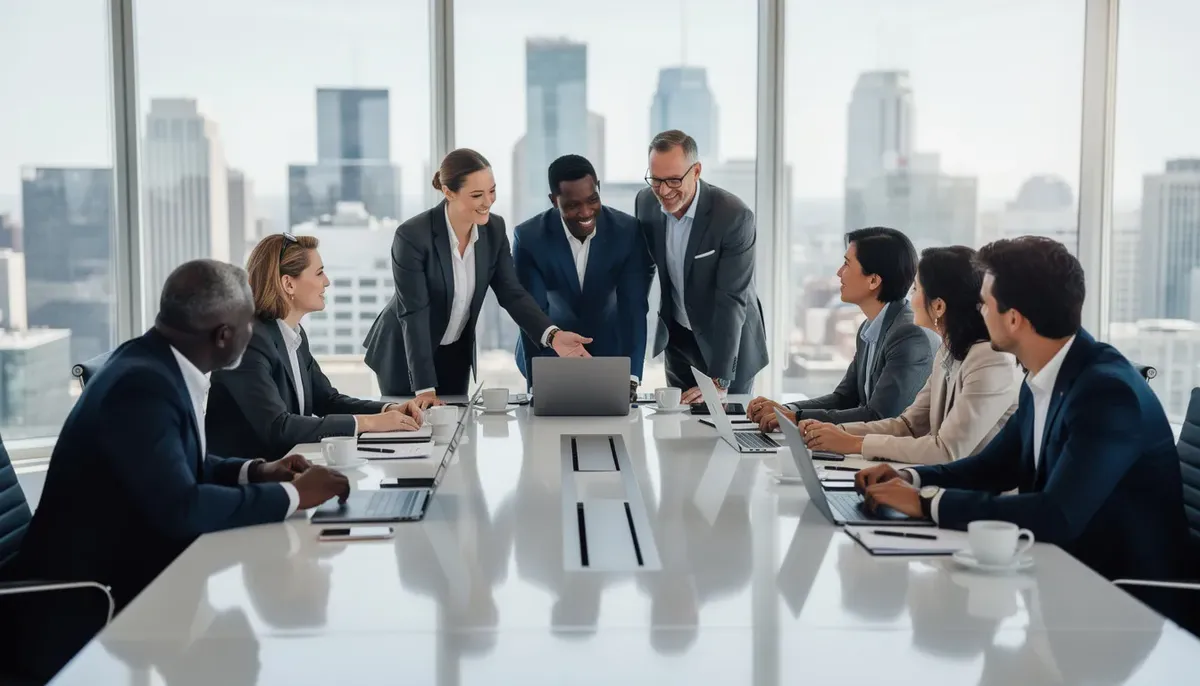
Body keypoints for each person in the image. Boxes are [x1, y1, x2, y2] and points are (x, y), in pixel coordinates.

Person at [10, 260, 350, 637]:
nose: (253, 333)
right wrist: (293, 495)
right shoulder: (143, 387)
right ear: (223, 335)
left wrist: (256, 470)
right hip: (87, 599)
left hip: (131, 568)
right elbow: (181, 506)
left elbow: (177, 466)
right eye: (248, 324)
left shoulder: (152, 361)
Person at [854, 237, 1188, 581]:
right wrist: (910, 478)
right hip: (1057, 574)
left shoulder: (1107, 393)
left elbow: (1058, 514)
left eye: (984, 304)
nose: (978, 312)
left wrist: (926, 502)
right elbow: (996, 466)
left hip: (1121, 599)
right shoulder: (1044, 373)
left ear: (1013, 319)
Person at [363, 148, 592, 402]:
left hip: (454, 354)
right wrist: (425, 387)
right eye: (477, 195)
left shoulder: (493, 230)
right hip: (405, 353)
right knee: (411, 433)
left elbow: (512, 294)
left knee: (456, 432)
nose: (488, 202)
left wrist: (553, 336)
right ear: (449, 192)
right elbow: (414, 312)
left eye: (492, 191)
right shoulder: (413, 236)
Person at [207, 234, 426, 461]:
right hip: (246, 480)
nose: (327, 281)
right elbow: (277, 427)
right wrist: (370, 423)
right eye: (319, 273)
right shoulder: (248, 341)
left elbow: (327, 401)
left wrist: (387, 410)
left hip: (287, 467)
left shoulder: (292, 334)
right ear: (288, 284)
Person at [794, 246, 1021, 464]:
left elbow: (947, 450)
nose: (911, 300)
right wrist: (834, 432)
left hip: (977, 496)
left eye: (916, 290)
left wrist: (853, 443)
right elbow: (909, 425)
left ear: (939, 306)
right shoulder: (948, 352)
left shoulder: (991, 360)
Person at [747, 226, 934, 431]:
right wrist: (786, 410)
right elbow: (844, 398)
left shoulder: (908, 335)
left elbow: (878, 415)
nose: (839, 273)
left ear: (873, 280)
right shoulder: (869, 328)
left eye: (846, 264)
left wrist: (795, 417)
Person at [634, 129, 768, 400]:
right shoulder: (646, 203)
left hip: (729, 345)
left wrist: (720, 380)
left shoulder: (733, 217)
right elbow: (643, 271)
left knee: (725, 433)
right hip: (679, 342)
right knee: (679, 432)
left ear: (696, 171)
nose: (664, 191)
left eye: (673, 180)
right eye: (656, 180)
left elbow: (732, 299)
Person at [512, 154, 652, 395]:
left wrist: (631, 376)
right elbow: (532, 312)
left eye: (592, 199)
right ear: (554, 201)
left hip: (612, 354)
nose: (586, 212)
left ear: (598, 189)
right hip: (550, 350)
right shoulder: (529, 238)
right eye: (573, 205)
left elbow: (634, 308)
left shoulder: (627, 232)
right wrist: (537, 383)